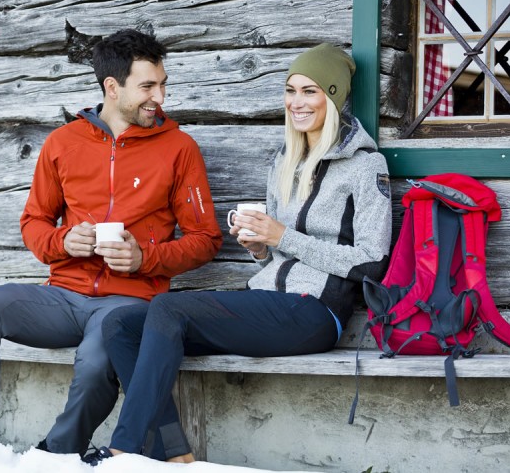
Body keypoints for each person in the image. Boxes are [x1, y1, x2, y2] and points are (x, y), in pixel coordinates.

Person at [89, 43, 393, 464]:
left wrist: (283, 236)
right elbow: (276, 256)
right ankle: (173, 452)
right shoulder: (285, 159)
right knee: (122, 323)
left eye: (310, 91)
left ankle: (124, 448)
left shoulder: (365, 166)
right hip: (265, 300)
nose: (296, 102)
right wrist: (259, 246)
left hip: (315, 313)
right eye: (290, 91)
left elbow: (371, 260)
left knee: (167, 309)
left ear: (334, 96)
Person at [0, 29, 223, 461]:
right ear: (112, 87)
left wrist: (145, 258)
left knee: (95, 362)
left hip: (128, 303)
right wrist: (63, 241)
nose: (160, 97)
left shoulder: (178, 149)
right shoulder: (63, 143)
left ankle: (57, 452)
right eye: (148, 86)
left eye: (163, 84)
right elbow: (34, 222)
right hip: (63, 297)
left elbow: (206, 239)